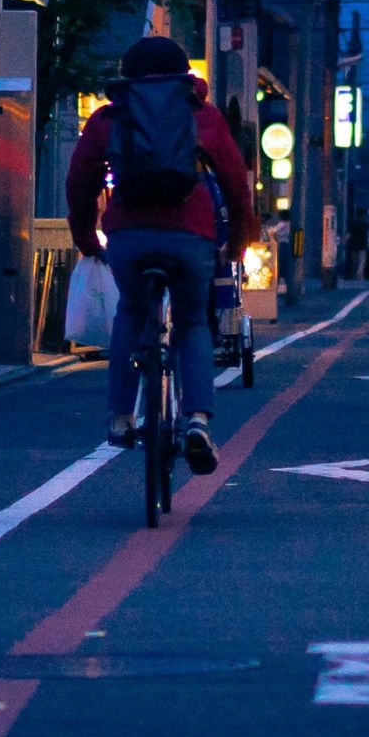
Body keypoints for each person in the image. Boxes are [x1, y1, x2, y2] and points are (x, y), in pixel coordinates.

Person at [66, 36, 256, 474]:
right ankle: (197, 420)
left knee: (130, 315)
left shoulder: (108, 118)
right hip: (190, 235)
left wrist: (87, 240)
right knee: (191, 323)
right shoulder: (200, 116)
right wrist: (240, 238)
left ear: (126, 77)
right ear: (185, 76)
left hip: (129, 236)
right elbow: (233, 180)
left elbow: (80, 182)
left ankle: (120, 415)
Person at [346, 206, 369, 280]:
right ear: (364, 214)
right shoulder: (365, 222)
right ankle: (359, 275)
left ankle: (354, 275)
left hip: (353, 243)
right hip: (363, 244)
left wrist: (346, 242)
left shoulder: (353, 221)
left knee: (354, 261)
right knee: (361, 261)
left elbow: (349, 233)